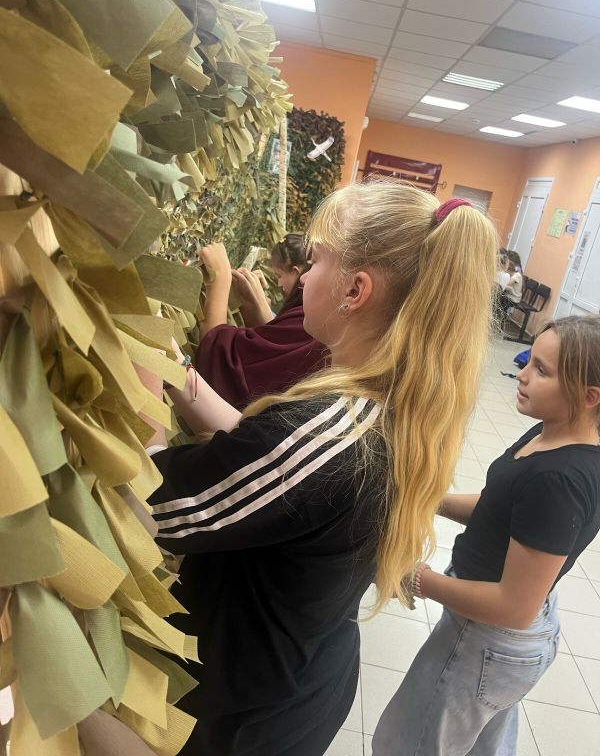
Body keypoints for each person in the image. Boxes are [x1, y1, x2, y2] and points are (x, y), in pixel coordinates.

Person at [143, 183, 498, 756]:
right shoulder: (392, 408)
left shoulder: (329, 436)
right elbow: (267, 460)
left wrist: (136, 379)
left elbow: (156, 508)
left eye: (317, 260)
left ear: (355, 290)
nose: (305, 277)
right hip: (300, 678)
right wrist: (181, 377)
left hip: (246, 712)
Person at [373, 314, 600, 756]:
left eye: (541, 370)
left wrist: (418, 578)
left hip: (490, 639)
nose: (522, 374)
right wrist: (429, 499)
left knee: (410, 745)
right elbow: (500, 508)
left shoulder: (559, 480)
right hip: (504, 640)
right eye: (529, 361)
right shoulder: (552, 432)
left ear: (590, 396)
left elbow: (514, 607)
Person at [194, 234, 327, 408]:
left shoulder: (319, 328)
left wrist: (220, 278)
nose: (303, 278)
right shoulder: (325, 325)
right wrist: (264, 322)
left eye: (315, 263)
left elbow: (218, 361)